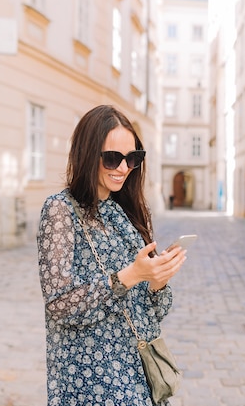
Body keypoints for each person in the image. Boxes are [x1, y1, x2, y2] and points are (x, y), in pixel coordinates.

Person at [37, 104, 186, 405]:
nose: (123, 168)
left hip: (138, 376)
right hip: (90, 380)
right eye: (112, 158)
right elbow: (59, 303)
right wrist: (131, 275)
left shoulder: (126, 214)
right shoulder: (60, 211)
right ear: (87, 153)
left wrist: (157, 281)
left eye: (132, 158)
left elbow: (151, 314)